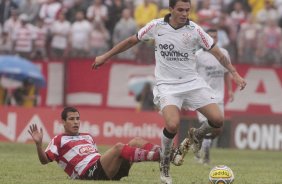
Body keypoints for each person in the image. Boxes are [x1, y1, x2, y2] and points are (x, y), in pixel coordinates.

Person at [91, 0, 246, 183]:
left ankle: (196, 135)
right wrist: (105, 56)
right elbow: (131, 41)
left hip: (192, 83)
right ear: (171, 9)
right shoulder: (157, 26)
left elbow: (218, 53)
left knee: (218, 120)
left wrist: (234, 73)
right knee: (172, 125)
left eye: (187, 10)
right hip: (167, 85)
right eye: (180, 10)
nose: (184, 14)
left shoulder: (195, 30)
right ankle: (165, 164)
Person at [28, 107, 161, 180]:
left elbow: (96, 156)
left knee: (136, 141)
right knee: (119, 148)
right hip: (88, 174)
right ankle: (158, 157)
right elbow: (44, 160)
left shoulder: (88, 136)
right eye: (71, 119)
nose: (76, 122)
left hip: (103, 170)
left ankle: (166, 153)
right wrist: (39, 145)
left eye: (78, 119)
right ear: (63, 122)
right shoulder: (59, 140)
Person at [175, 28, 234, 166]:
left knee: (218, 129)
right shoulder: (198, 55)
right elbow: (191, 75)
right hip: (203, 95)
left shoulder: (224, 53)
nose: (213, 39)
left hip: (219, 96)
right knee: (208, 124)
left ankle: (197, 136)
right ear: (205, 38)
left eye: (215, 36)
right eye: (210, 36)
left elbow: (226, 73)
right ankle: (205, 153)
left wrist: (230, 91)